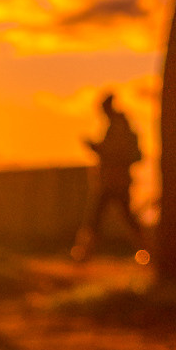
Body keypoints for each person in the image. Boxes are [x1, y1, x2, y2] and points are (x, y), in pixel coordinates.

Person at [75, 93, 147, 259]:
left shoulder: (117, 126)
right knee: (109, 218)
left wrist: (95, 147)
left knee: (97, 218)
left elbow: (112, 152)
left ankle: (84, 254)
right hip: (114, 180)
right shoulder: (118, 125)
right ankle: (147, 251)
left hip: (115, 181)